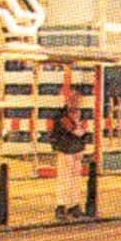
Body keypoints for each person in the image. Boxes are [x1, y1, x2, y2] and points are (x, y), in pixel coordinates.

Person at [49, 86, 91, 219]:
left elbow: (84, 130)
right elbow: (73, 129)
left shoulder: (81, 115)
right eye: (73, 99)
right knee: (64, 179)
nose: (76, 102)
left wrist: (83, 146)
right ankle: (61, 206)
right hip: (65, 149)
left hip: (77, 150)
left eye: (77, 99)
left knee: (75, 179)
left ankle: (74, 205)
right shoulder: (62, 116)